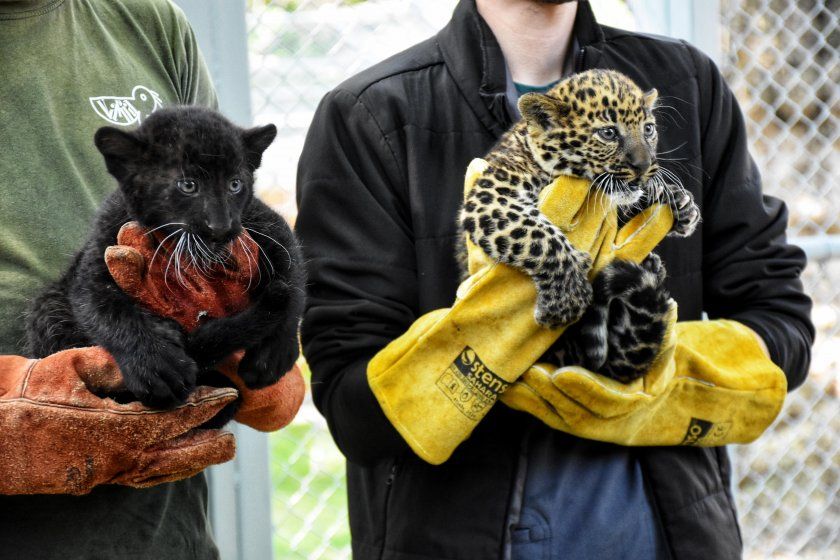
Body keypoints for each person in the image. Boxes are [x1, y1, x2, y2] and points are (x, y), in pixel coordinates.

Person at [296, 1, 814, 559]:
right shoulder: (371, 116)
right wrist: (500, 328)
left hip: (666, 536)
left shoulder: (685, 83)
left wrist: (654, 381)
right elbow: (355, 413)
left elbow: (781, 323)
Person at [0, 0, 232, 557]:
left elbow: (225, 234)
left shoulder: (149, 21)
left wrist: (251, 330)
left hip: (161, 535)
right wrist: (16, 424)